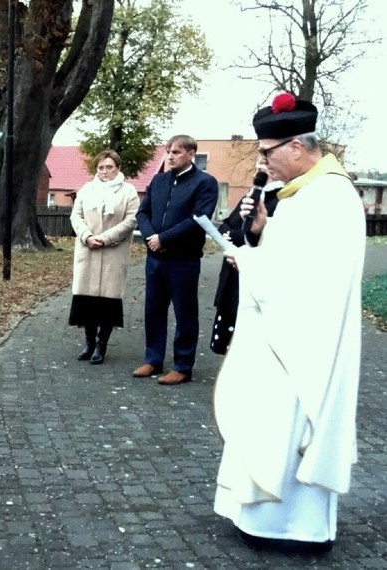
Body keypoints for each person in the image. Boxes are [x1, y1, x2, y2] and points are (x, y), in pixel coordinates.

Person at [213, 92, 365, 554]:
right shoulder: (308, 193)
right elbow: (298, 255)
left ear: (297, 147)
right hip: (285, 340)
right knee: (269, 425)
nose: (263, 162)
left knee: (287, 428)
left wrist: (247, 261)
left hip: (303, 347)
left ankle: (291, 527)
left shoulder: (332, 196)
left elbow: (312, 284)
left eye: (267, 152)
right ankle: (263, 518)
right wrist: (262, 232)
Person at [133, 135, 219, 384]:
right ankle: (153, 359)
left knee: (185, 312)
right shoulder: (159, 181)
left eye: (177, 152)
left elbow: (197, 219)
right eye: (168, 151)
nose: (170, 156)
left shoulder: (205, 183)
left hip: (184, 260)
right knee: (153, 310)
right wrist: (151, 237)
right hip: (155, 258)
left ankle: (182, 365)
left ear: (191, 153)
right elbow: (143, 212)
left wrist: (165, 239)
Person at [69, 150, 139, 364]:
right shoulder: (87, 189)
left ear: (118, 167)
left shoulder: (129, 192)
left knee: (107, 301)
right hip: (88, 250)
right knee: (87, 301)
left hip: (112, 252)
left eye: (109, 167)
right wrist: (87, 236)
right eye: (101, 167)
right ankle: (89, 343)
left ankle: (102, 345)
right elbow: (76, 215)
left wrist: (106, 238)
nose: (105, 171)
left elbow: (131, 220)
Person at [209, 158, 282, 355]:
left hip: (255, 276)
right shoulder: (251, 196)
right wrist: (231, 232)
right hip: (233, 274)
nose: (259, 167)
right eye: (258, 163)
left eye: (264, 164)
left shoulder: (282, 200)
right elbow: (226, 224)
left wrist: (235, 235)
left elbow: (267, 234)